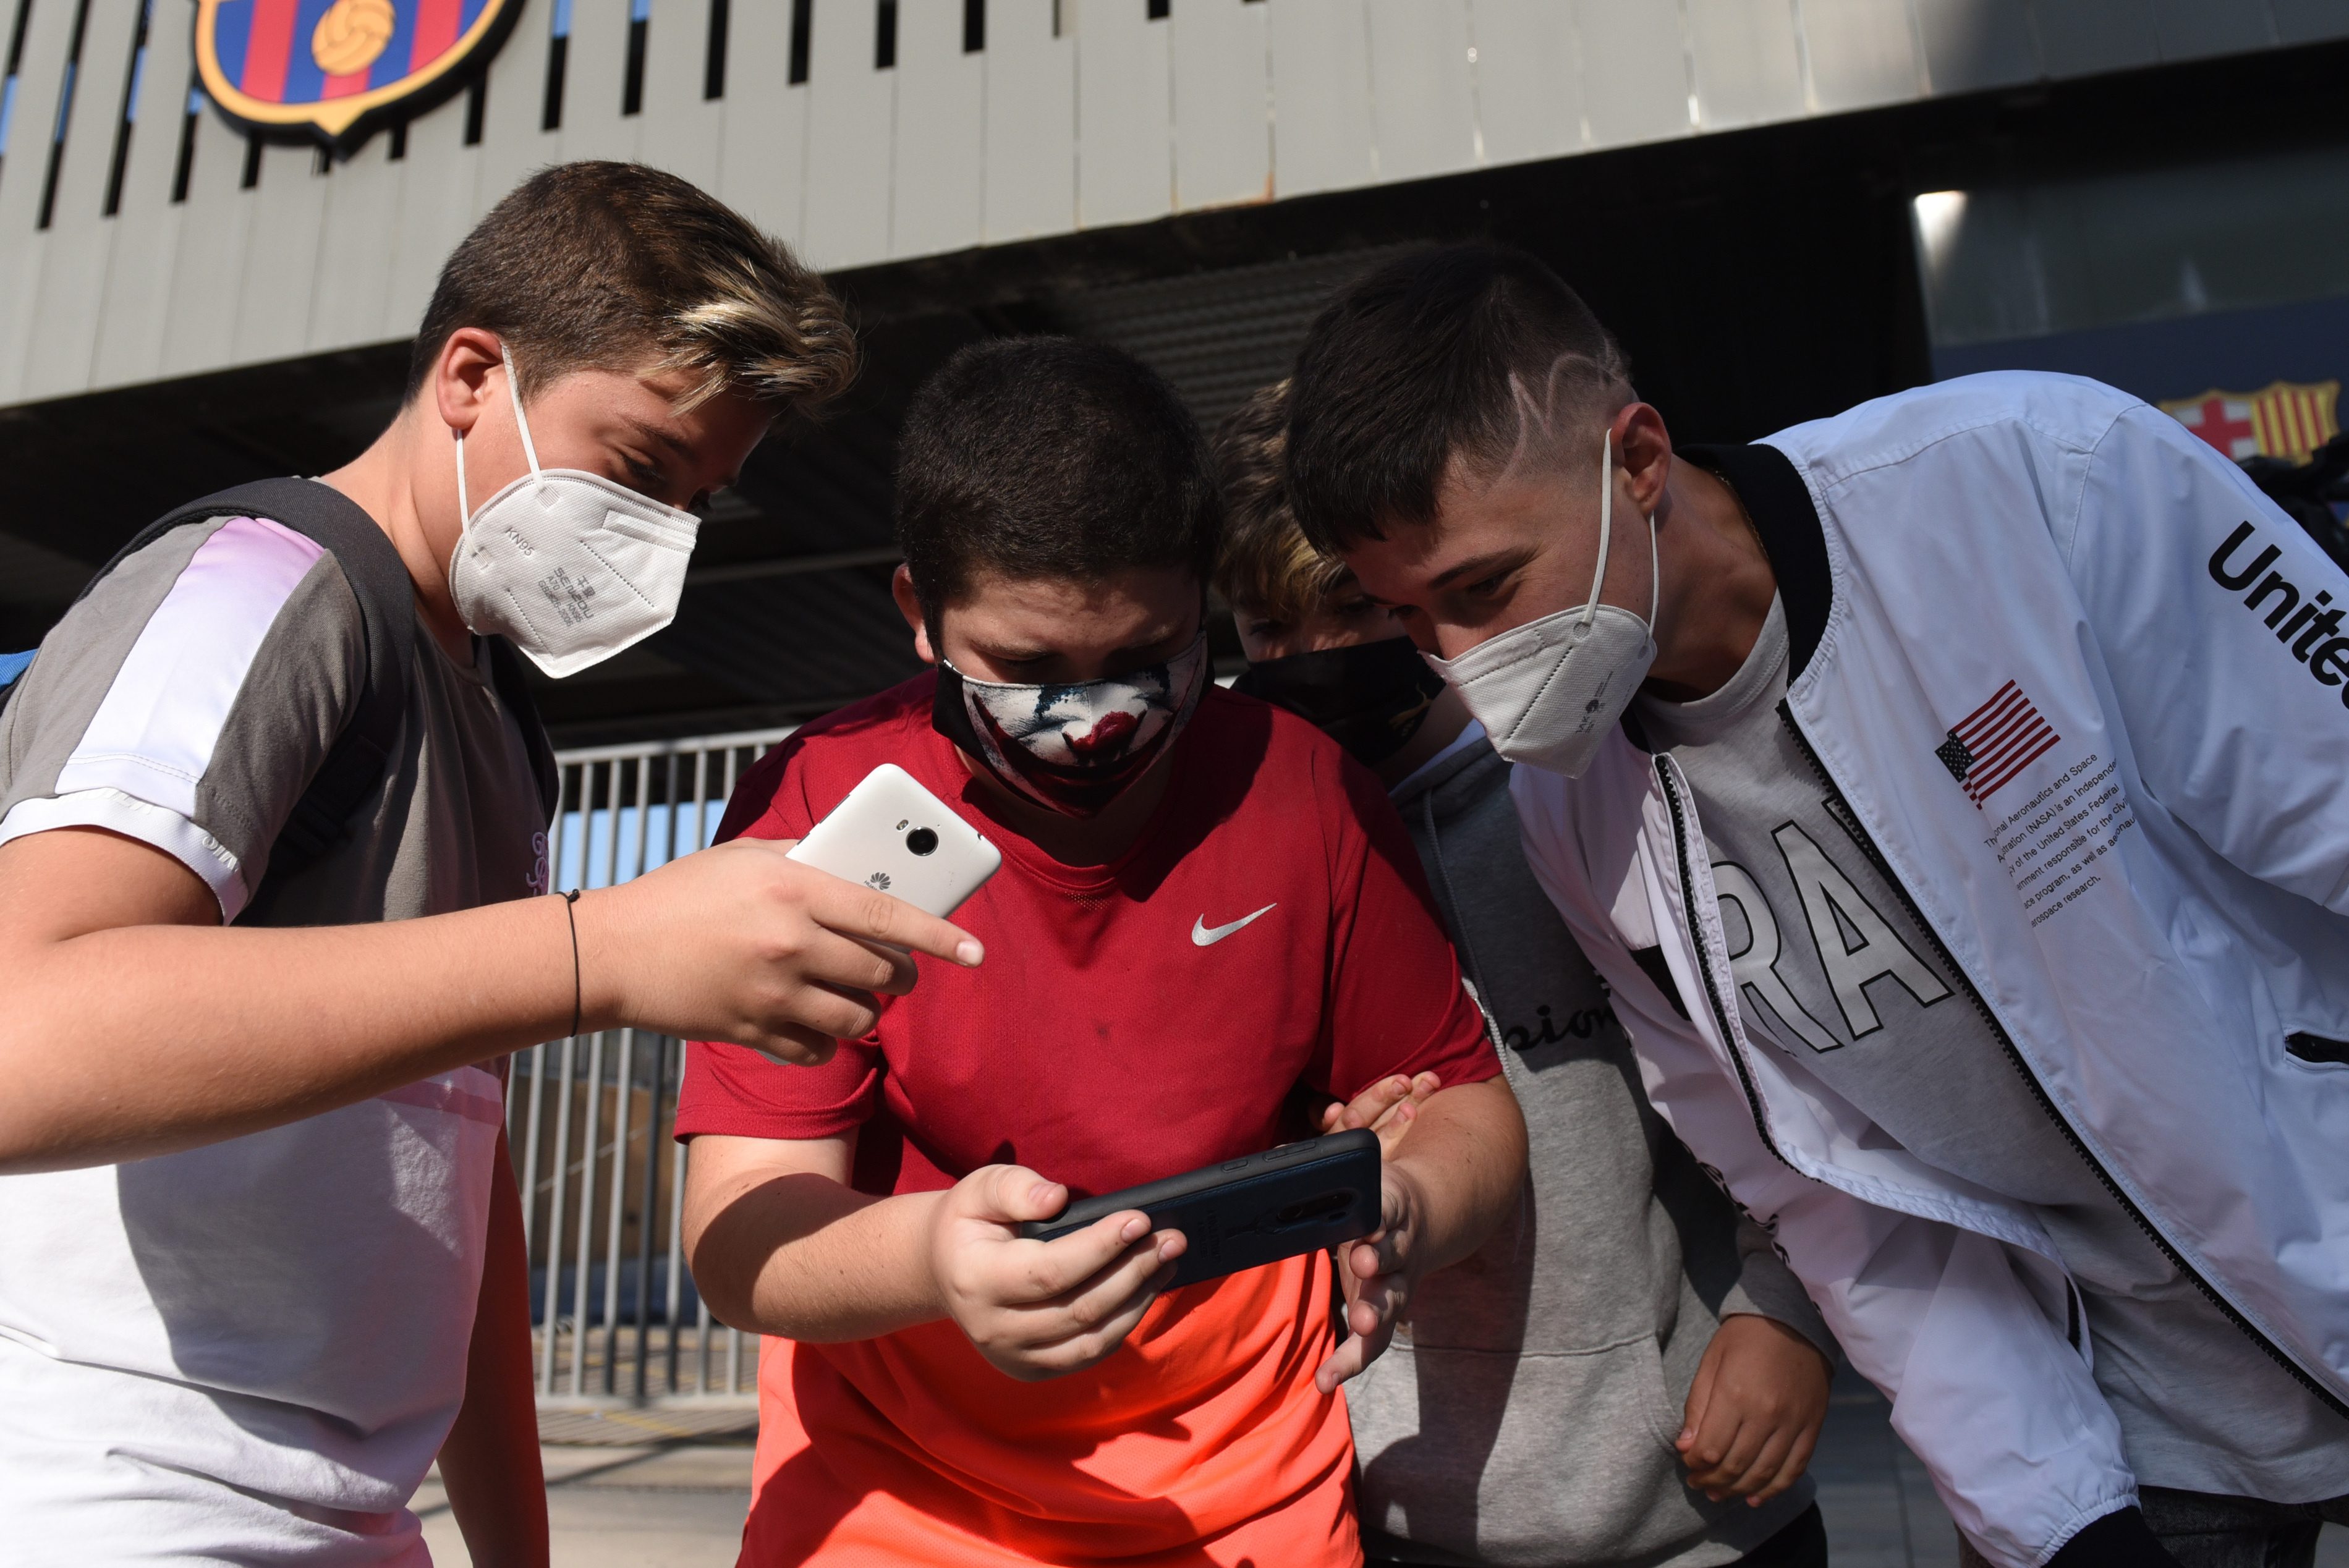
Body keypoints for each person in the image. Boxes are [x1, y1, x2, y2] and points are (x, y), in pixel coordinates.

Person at [1278, 242, 2349, 1568]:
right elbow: (1831, 1191)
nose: (1460, 659)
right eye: (1410, 617)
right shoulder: (1571, 809)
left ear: (1638, 459)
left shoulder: (2036, 479)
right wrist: (2052, 1517)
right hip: (2141, 1427)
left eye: (1486, 590)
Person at [0, 162, 989, 1564]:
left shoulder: (495, 715)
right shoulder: (255, 591)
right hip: (110, 1496)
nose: (667, 538)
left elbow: (455, 1199)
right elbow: (18, 1040)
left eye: (700, 501)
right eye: (643, 467)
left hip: (345, 1514)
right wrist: (600, 953)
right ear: (471, 374)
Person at [675, 335, 1527, 1567]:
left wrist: (1399, 1207)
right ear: (920, 612)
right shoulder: (818, 803)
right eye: (1027, 668)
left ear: (1203, 599)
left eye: (1141, 660)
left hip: (1252, 1492)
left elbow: (1465, 1108)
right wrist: (939, 1260)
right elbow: (740, 1225)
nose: (1089, 724)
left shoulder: (1309, 797)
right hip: (894, 1502)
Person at [1215, 381, 1838, 1568]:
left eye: (1347, 608)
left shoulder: (1598, 788)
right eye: (1264, 625)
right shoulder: (1253, 852)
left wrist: (1787, 1314)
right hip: (1374, 1510)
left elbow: (1811, 1077)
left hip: (1693, 1502)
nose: (1310, 656)